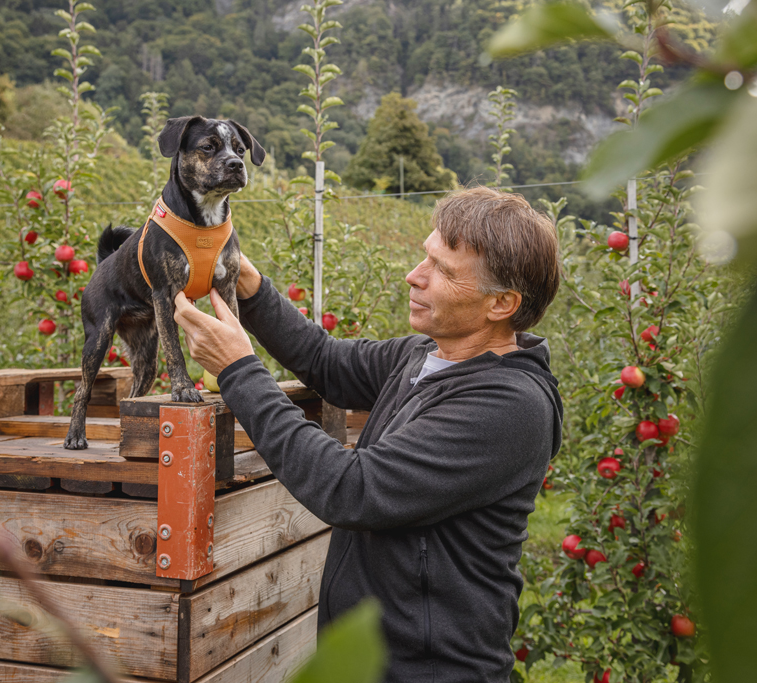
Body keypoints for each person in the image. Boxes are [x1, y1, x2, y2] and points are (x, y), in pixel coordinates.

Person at [173, 186, 563, 682]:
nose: (414, 276)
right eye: (426, 256)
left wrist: (238, 369)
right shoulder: (428, 355)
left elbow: (351, 489)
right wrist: (247, 283)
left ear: (502, 303)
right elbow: (327, 362)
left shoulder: (509, 407)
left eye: (442, 271)